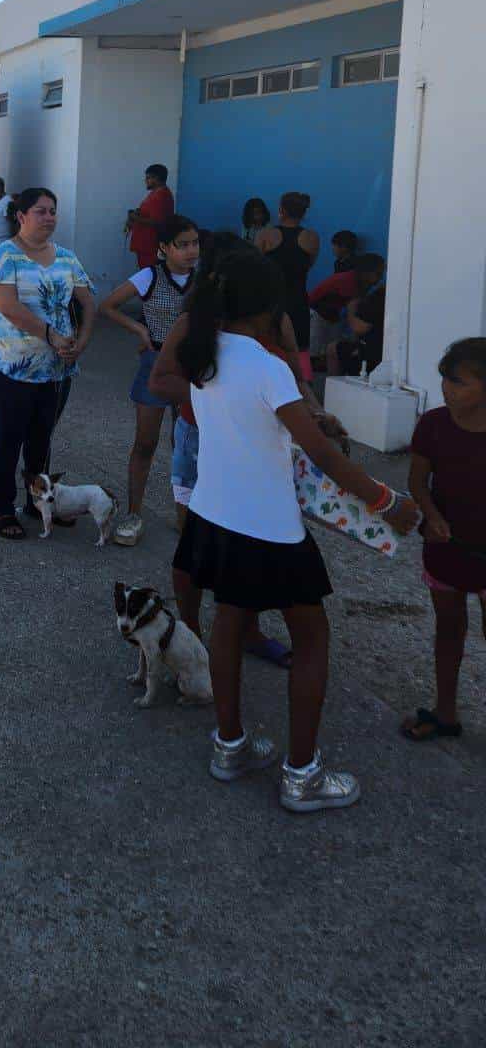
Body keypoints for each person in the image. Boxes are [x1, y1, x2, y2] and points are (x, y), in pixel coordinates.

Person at [172, 251, 415, 811]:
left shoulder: (204, 353)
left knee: (230, 620)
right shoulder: (267, 365)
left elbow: (261, 426)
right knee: (311, 637)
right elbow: (322, 453)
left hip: (214, 515)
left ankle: (229, 746)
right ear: (268, 307)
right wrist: (385, 501)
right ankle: (302, 775)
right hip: (268, 528)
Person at [151, 232, 348, 670]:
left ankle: (247, 629)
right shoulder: (194, 324)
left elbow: (295, 382)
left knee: (250, 542)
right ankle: (189, 631)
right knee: (196, 544)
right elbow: (159, 381)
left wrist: (313, 413)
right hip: (200, 440)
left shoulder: (273, 324)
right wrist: (220, 396)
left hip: (262, 444)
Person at [0, 188, 96, 540]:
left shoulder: (66, 257)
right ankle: (3, 508)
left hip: (57, 368)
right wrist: (50, 334)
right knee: (10, 437)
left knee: (41, 437)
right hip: (13, 366)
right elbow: (8, 306)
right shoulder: (4, 256)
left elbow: (89, 303)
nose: (49, 217)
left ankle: (37, 501)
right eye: (41, 211)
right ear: (21, 216)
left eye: (53, 211)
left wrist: (82, 342)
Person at [401, 337, 486, 742]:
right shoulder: (432, 424)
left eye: (459, 382)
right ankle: (446, 712)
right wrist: (431, 515)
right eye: (445, 380)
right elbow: (418, 479)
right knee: (449, 629)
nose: (447, 389)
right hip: (445, 550)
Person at [98, 215, 201, 546]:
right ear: (163, 248)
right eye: (182, 245)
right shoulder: (149, 276)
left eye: (194, 244)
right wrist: (140, 329)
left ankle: (187, 515)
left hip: (193, 370)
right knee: (145, 443)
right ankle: (133, 514)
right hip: (155, 364)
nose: (190, 251)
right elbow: (109, 305)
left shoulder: (206, 281)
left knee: (187, 445)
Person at [256, 191, 319, 352]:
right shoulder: (312, 238)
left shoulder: (265, 235)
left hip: (270, 301)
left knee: (268, 348)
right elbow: (308, 265)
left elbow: (254, 267)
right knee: (299, 350)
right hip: (298, 301)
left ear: (281, 210)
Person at [310, 252, 383, 367]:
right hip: (317, 312)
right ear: (366, 272)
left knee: (329, 351)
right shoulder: (348, 281)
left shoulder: (363, 283)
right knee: (315, 353)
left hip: (332, 314)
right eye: (378, 274)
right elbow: (353, 310)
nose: (380, 278)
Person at [328, 260, 387, 377]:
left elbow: (359, 328)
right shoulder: (353, 283)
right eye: (378, 274)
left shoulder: (380, 295)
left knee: (332, 348)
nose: (380, 278)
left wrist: (351, 311)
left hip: (373, 355)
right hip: (375, 347)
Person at [125, 164, 174, 270]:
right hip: (145, 246)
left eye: (148, 178)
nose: (145, 181)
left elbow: (157, 222)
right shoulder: (155, 193)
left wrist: (134, 217)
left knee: (150, 277)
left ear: (156, 178)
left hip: (151, 246)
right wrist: (138, 213)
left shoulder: (161, 195)